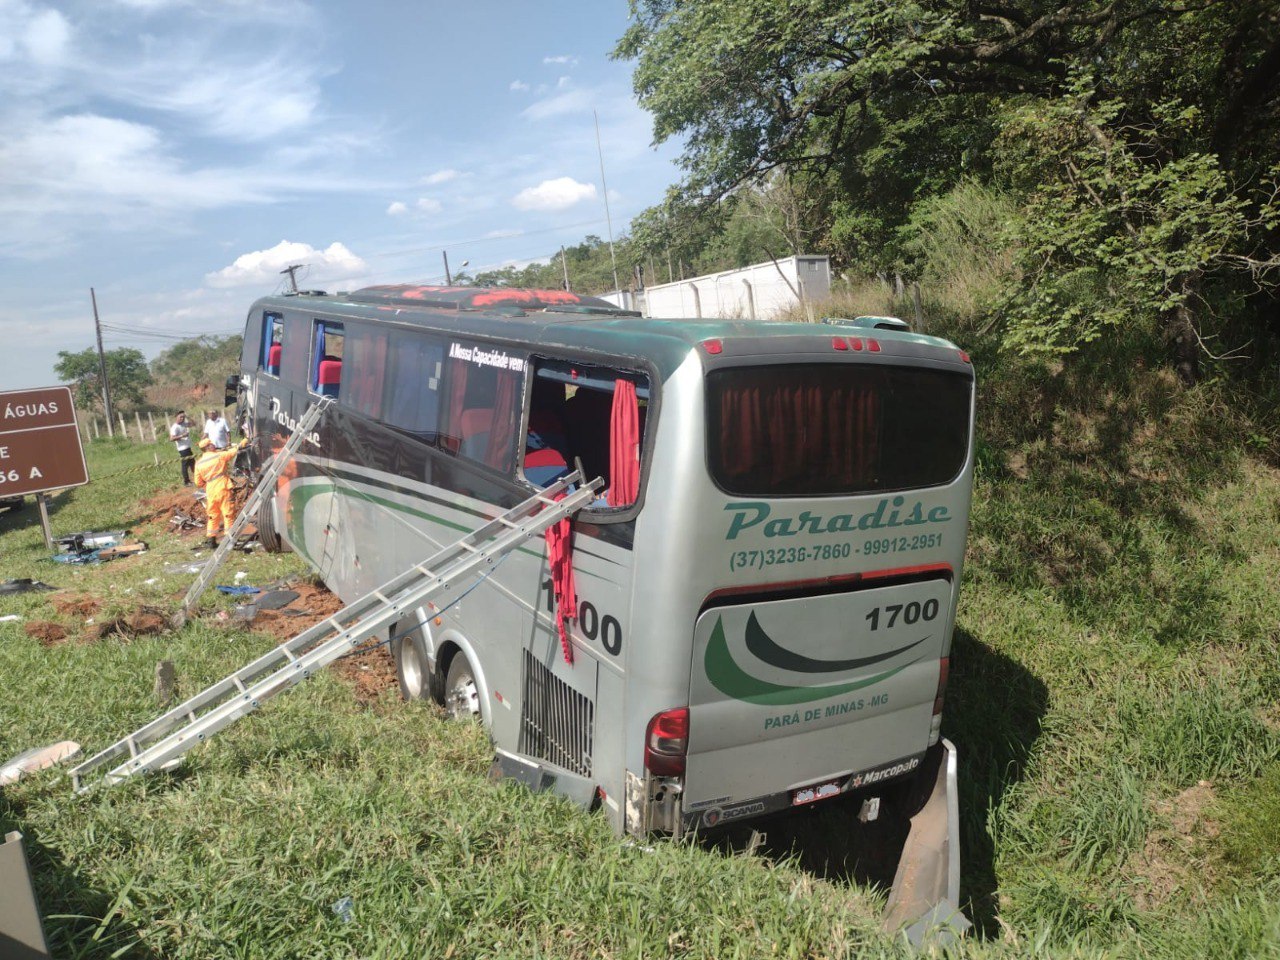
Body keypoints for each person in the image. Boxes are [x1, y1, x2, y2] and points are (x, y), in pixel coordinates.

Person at [193, 436, 248, 548]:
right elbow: (234, 451)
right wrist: (245, 441)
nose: (213, 444)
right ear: (208, 447)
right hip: (223, 487)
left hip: (210, 490)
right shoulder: (219, 456)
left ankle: (211, 540)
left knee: (213, 515)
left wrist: (209, 483)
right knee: (228, 513)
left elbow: (198, 483)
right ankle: (230, 539)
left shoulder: (198, 463)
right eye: (211, 443)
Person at [169, 411, 195, 485]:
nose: (182, 418)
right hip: (182, 449)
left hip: (188, 447)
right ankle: (186, 482)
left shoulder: (184, 424)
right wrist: (182, 436)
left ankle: (197, 478)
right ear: (176, 417)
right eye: (181, 417)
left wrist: (188, 417)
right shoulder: (175, 427)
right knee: (185, 465)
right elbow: (171, 439)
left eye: (183, 417)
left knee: (193, 463)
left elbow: (193, 424)